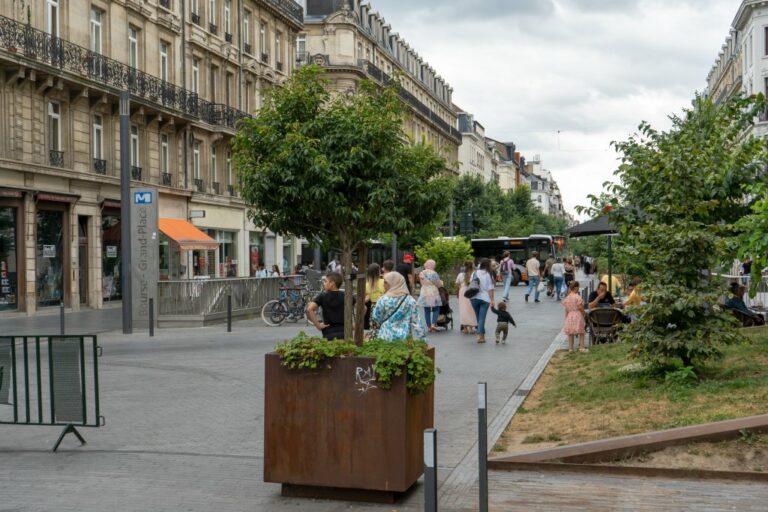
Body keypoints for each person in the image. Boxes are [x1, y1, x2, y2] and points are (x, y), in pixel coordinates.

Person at [370, 271, 426, 341]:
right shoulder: (410, 300)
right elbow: (417, 322)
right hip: (404, 338)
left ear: (392, 283)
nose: (383, 285)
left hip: (385, 337)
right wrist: (423, 340)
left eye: (385, 282)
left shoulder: (383, 299)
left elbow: (376, 317)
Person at [306, 272, 345, 340]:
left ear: (332, 283)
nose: (324, 284)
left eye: (326, 281)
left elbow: (309, 309)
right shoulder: (346, 295)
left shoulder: (323, 296)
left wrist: (318, 325)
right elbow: (363, 308)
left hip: (328, 331)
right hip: (345, 331)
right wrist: (355, 325)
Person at [470, 258, 495, 343]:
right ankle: (479, 335)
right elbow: (491, 289)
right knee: (482, 318)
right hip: (485, 298)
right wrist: (492, 300)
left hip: (474, 298)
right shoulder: (488, 274)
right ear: (488, 265)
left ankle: (482, 336)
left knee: (479, 318)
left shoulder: (474, 273)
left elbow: (470, 283)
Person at [418, 260, 444, 333]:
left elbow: (421, 282)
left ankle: (429, 327)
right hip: (433, 291)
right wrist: (441, 284)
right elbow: (438, 283)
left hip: (424, 291)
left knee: (426, 310)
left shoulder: (421, 273)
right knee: (436, 308)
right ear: (432, 265)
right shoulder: (434, 273)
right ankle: (433, 324)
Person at [563, 281, 588, 352]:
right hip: (577, 315)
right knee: (581, 332)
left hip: (570, 315)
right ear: (576, 288)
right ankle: (582, 347)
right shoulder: (577, 297)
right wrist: (584, 313)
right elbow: (580, 307)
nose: (578, 289)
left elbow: (566, 309)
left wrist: (566, 317)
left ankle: (571, 348)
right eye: (578, 288)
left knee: (570, 333)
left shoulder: (567, 297)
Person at [455, 261, 478, 334]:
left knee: (463, 309)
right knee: (471, 309)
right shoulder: (474, 274)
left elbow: (457, 284)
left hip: (462, 291)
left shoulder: (461, 274)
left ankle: (465, 328)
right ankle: (471, 327)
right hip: (471, 291)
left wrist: (458, 290)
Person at [364, 263, 385, 330]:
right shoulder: (384, 282)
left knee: (374, 328)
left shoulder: (366, 284)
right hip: (383, 306)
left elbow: (367, 297)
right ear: (378, 271)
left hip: (373, 307)